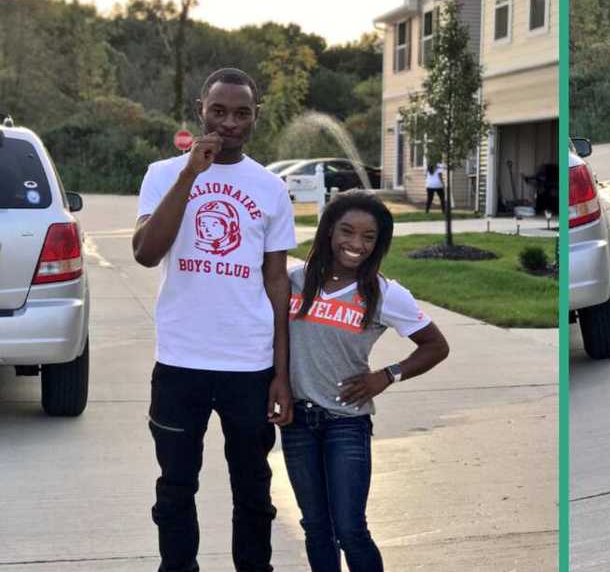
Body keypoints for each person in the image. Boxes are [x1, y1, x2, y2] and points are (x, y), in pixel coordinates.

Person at [132, 67, 295, 572]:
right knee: (176, 488)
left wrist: (281, 374)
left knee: (253, 490)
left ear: (255, 118)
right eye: (218, 111)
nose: (228, 123)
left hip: (248, 365)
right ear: (201, 108)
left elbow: (276, 283)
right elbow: (144, 252)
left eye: (241, 113)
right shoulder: (164, 174)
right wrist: (189, 175)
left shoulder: (269, 188)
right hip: (181, 362)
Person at [284, 190, 450, 572]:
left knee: (351, 529)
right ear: (328, 231)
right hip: (298, 424)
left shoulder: (385, 294)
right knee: (315, 527)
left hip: (347, 422)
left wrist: (387, 375)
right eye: (346, 231)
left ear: (378, 244)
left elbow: (435, 346)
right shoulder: (295, 281)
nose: (355, 244)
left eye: (368, 237)